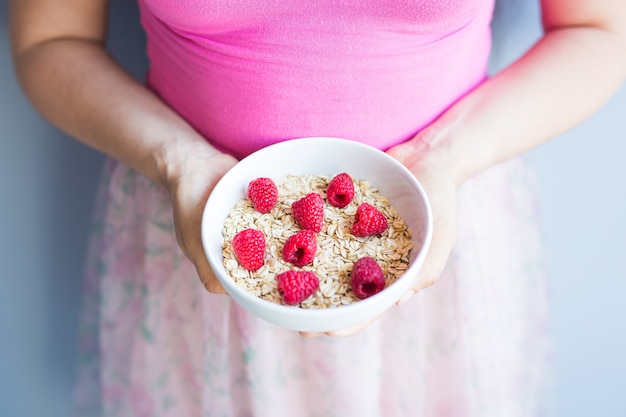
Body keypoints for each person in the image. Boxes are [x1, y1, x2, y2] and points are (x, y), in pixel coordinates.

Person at [9, 0, 626, 416]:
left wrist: (445, 156)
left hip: (440, 234)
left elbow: (598, 29)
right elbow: (50, 38)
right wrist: (179, 161)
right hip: (193, 237)